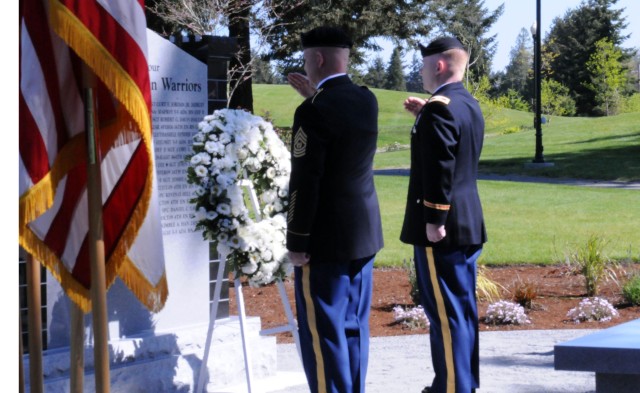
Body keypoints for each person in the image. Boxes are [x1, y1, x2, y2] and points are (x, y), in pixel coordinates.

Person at [285, 26, 384, 393]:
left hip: (323, 240)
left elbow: (306, 180)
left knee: (323, 333)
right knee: (353, 327)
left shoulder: (312, 111)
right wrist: (316, 98)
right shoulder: (365, 99)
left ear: (318, 58)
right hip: (362, 234)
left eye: (307, 59)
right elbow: (340, 127)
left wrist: (296, 239)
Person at [400, 36, 487, 393]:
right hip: (467, 222)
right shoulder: (465, 103)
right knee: (462, 311)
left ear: (438, 65)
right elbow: (453, 145)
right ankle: (459, 381)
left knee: (446, 316)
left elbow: (440, 167)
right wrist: (426, 116)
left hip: (443, 227)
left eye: (423, 65)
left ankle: (452, 387)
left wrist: (434, 220)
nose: (420, 71)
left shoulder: (440, 107)